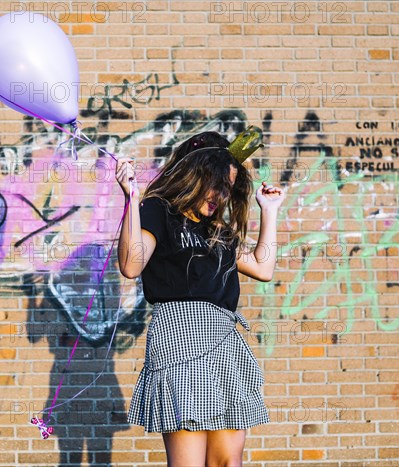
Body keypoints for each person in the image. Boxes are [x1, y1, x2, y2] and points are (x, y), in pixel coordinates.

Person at [115, 131, 285, 467]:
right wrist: (131, 200)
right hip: (179, 342)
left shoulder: (216, 230)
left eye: (229, 187)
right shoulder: (157, 211)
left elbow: (263, 268)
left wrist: (270, 210)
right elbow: (131, 265)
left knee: (227, 461)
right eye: (217, 183)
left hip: (225, 342)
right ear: (195, 175)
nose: (221, 195)